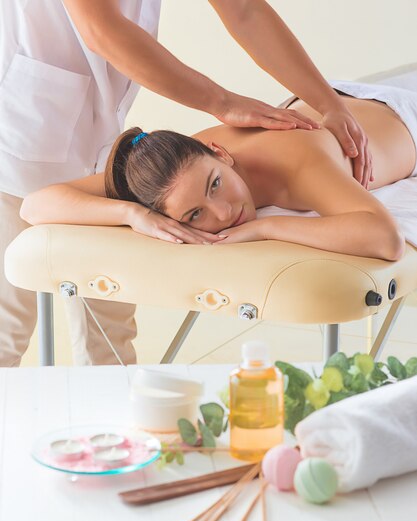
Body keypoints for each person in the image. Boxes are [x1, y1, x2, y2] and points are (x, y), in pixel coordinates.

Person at [1, 0, 372, 366]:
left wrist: (329, 104)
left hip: (95, 131)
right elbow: (101, 29)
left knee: (109, 324)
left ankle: (114, 425)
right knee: (8, 326)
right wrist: (220, 102)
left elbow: (245, 10)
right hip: (23, 128)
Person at [22, 76, 417, 264]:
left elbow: (385, 239)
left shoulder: (298, 162)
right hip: (349, 98)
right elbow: (35, 205)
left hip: (400, 111)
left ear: (220, 153)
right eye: (195, 215)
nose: (225, 213)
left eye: (216, 184)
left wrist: (265, 227)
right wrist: (131, 212)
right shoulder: (171, 166)